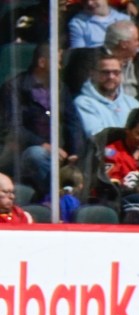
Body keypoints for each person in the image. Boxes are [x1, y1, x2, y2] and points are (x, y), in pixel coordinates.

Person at [0, 42, 84, 201]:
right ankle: (55, 198)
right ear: (42, 62)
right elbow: (11, 128)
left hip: (60, 153)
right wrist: (42, 144)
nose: (60, 67)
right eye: (58, 62)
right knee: (36, 154)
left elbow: (73, 122)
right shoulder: (14, 88)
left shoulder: (60, 88)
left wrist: (74, 151)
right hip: (23, 154)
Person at [74, 52, 139, 137]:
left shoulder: (133, 103)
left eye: (116, 72)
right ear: (92, 74)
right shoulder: (83, 103)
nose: (111, 77)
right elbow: (97, 136)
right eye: (105, 72)